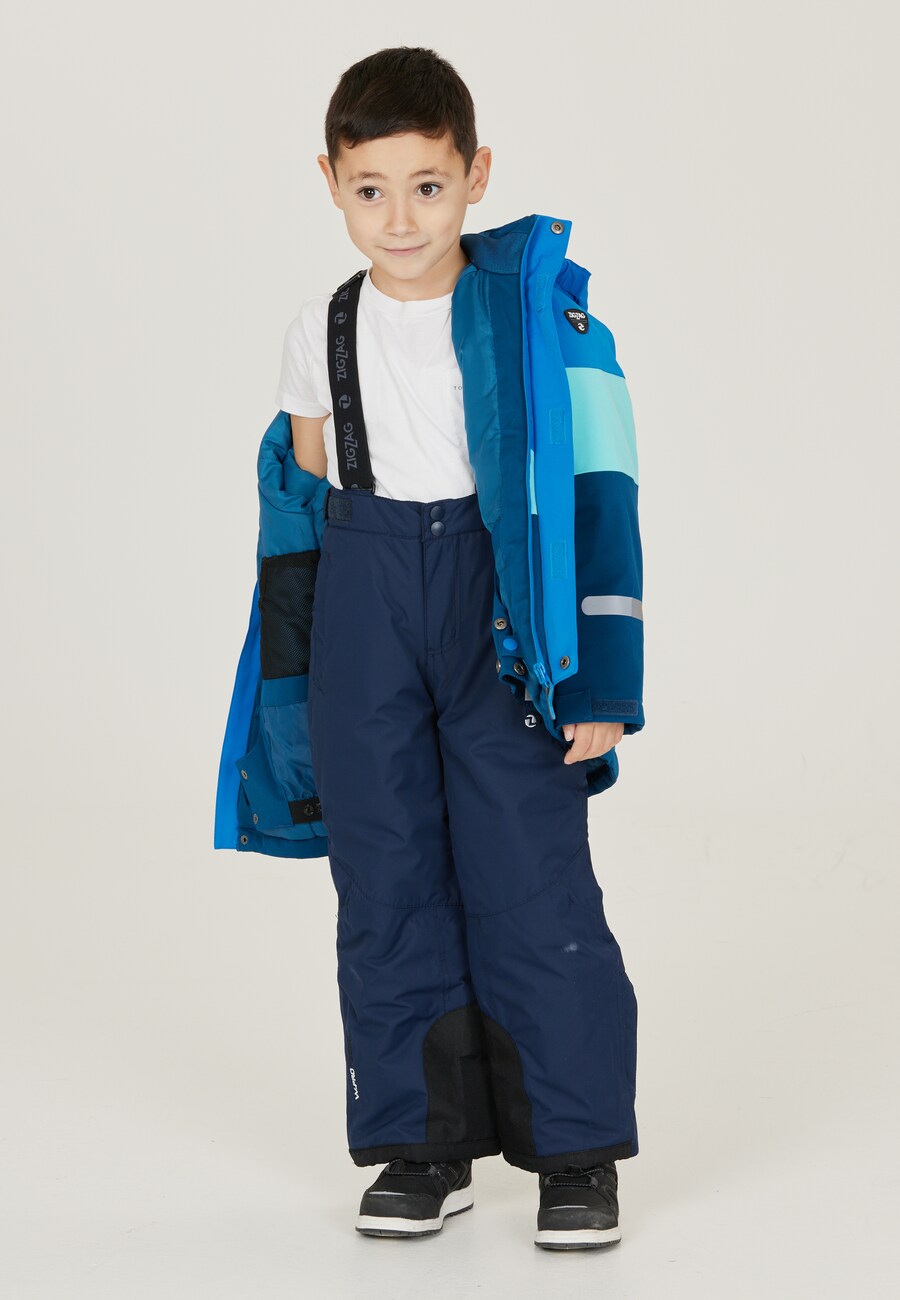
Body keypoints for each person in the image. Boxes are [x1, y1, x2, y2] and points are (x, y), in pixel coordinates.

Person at [271, 45, 644, 1251]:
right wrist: (299, 690)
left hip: (502, 612)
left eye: (427, 186)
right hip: (366, 605)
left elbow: (601, 497)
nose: (400, 217)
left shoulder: (546, 321)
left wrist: (600, 680)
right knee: (385, 883)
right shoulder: (321, 328)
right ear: (330, 182)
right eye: (370, 188)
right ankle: (421, 1142)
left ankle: (577, 1153)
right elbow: (304, 511)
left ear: (476, 176)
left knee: (531, 877)